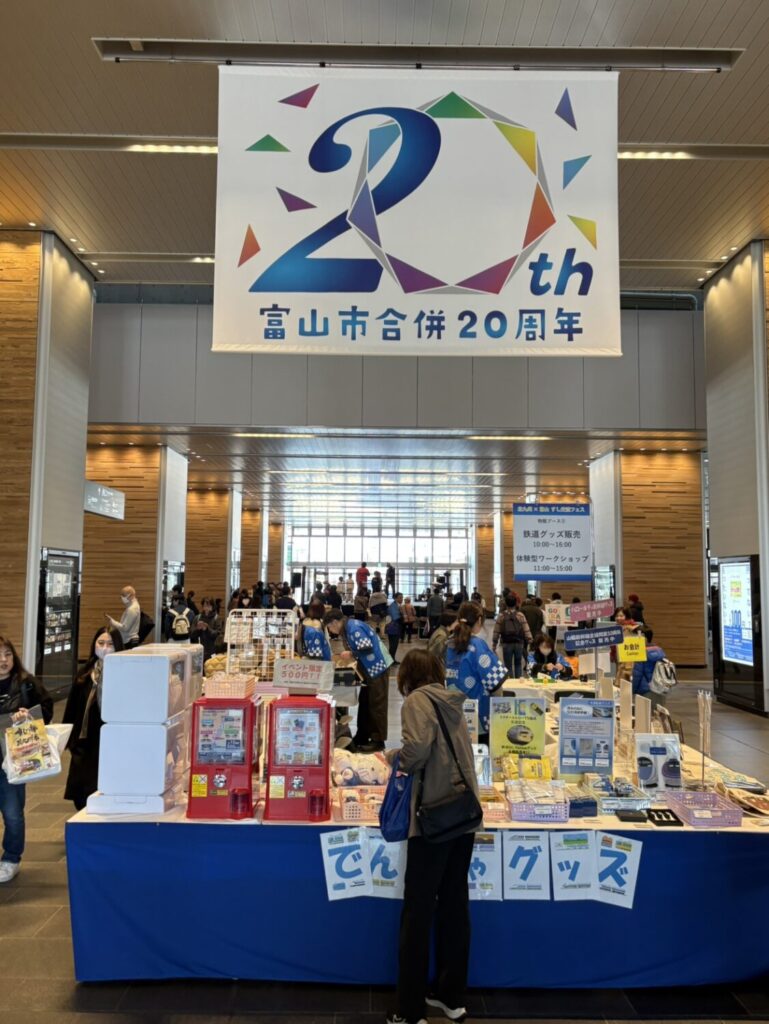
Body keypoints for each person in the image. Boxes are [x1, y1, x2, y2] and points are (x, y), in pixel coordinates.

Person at [386, 649, 478, 1024]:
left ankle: (409, 1010)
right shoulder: (450, 699)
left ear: (407, 677)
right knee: (454, 905)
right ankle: (450, 996)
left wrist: (395, 758)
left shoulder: (416, 701)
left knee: (418, 912)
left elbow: (418, 750)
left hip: (434, 818)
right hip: (464, 815)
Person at [0, 636, 53, 881]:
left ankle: (11, 858)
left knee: (12, 813)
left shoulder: (26, 683)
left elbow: (47, 710)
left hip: (13, 759)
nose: (3, 660)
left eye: (7, 654)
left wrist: (29, 716)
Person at [63, 626, 124, 810]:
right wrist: (69, 740)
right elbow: (72, 708)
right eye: (101, 643)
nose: (104, 648)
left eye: (110, 644)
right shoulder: (85, 674)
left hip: (111, 739)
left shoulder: (124, 672)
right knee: (81, 793)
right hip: (85, 740)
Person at [325, 610, 390, 752]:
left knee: (376, 704)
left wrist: (351, 653)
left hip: (377, 667)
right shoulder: (348, 628)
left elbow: (366, 646)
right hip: (368, 668)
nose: (330, 631)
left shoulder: (354, 628)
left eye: (329, 627)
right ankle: (362, 736)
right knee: (365, 703)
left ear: (335, 622)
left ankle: (378, 741)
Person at [445, 601, 507, 744]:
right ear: (479, 620)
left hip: (454, 714)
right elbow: (495, 684)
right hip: (479, 717)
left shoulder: (449, 643)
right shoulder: (478, 645)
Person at [493, 595, 532, 679]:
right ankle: (518, 682)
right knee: (518, 664)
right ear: (516, 603)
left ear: (506, 603)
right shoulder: (520, 615)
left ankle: (510, 682)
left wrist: (494, 644)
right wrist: (530, 639)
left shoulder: (501, 616)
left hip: (506, 643)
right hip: (519, 643)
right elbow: (526, 629)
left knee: (508, 665)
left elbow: (496, 631)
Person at [632, 628, 666, 707]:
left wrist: (632, 690)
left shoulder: (640, 653)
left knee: (645, 712)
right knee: (658, 711)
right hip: (660, 688)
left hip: (644, 690)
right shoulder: (659, 650)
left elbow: (637, 675)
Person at [106, 585, 141, 649]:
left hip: (130, 641)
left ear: (131, 596)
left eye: (124, 595)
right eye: (121, 595)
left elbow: (125, 628)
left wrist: (112, 622)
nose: (122, 598)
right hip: (129, 640)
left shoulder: (132, 609)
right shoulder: (132, 606)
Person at [190, 598, 222, 662]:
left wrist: (207, 629)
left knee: (211, 665)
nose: (206, 608)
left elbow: (218, 634)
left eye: (208, 606)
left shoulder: (217, 618)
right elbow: (191, 634)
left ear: (212, 607)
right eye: (204, 606)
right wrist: (198, 629)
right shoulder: (197, 618)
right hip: (199, 649)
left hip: (212, 650)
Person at [385, 593, 404, 663]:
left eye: (402, 597)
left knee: (394, 645)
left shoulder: (397, 605)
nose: (401, 599)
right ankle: (391, 660)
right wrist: (402, 615)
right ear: (395, 598)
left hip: (396, 627)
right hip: (393, 628)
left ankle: (392, 659)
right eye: (400, 597)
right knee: (393, 645)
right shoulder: (393, 606)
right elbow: (396, 617)